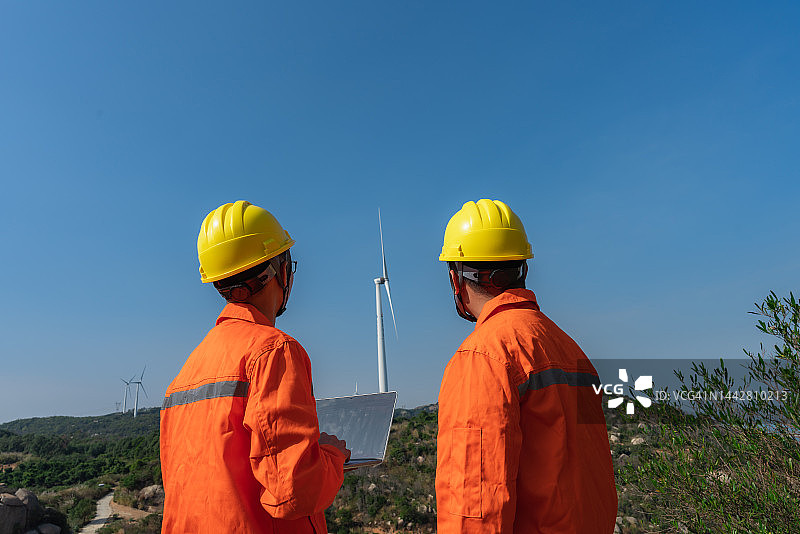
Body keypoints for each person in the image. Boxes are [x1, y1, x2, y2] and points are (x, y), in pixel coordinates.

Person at [160, 200, 350, 534]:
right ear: (281, 268)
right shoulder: (273, 351)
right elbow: (294, 492)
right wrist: (333, 456)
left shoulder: (184, 376)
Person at [435, 199, 617, 533]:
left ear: (456, 278)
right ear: (523, 270)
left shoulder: (483, 356)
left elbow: (474, 504)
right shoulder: (569, 348)